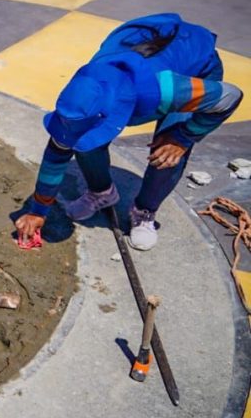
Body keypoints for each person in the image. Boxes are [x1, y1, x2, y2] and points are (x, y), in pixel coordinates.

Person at [14, 14, 243, 251]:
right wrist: (38, 210)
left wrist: (184, 137)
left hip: (194, 70)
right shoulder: (85, 89)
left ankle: (145, 211)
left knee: (167, 152)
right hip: (144, 62)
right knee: (85, 141)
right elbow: (57, 152)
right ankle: (102, 192)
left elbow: (230, 96)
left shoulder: (164, 90)